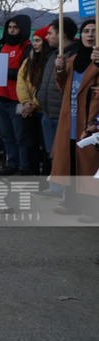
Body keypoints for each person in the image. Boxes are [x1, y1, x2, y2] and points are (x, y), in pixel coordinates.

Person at [49, 20, 99, 223]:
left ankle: (92, 208)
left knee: (89, 164)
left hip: (90, 121)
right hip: (70, 120)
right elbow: (63, 87)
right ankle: (71, 202)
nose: (90, 35)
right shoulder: (73, 60)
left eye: (95, 31)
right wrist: (59, 70)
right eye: (86, 31)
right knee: (70, 162)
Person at [35, 17, 78, 197]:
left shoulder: (74, 56)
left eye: (51, 33)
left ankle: (64, 191)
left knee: (61, 153)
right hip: (47, 112)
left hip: (61, 113)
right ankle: (56, 187)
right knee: (51, 153)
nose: (47, 37)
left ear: (62, 34)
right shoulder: (53, 55)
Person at [0, 15, 31, 176]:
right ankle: (11, 164)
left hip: (18, 99)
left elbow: (26, 73)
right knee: (7, 135)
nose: (12, 30)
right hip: (1, 97)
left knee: (21, 135)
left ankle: (24, 166)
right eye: (9, 27)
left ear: (22, 29)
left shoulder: (27, 47)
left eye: (15, 28)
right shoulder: (3, 46)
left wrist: (4, 71)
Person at [16, 26, 51, 175]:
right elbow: (21, 80)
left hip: (44, 111)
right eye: (33, 41)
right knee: (30, 144)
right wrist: (26, 102)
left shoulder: (50, 60)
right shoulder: (29, 60)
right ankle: (33, 174)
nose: (34, 44)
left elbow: (47, 86)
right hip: (29, 109)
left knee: (46, 146)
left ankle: (46, 177)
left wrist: (34, 104)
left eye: (37, 41)